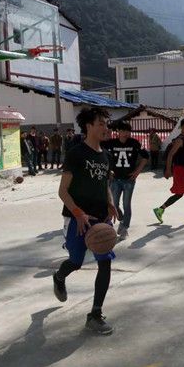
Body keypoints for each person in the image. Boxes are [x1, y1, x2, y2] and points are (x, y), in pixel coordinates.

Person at [52, 107, 119, 335]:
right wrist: (78, 213)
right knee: (76, 262)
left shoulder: (106, 155)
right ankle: (59, 277)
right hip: (77, 217)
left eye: (107, 124)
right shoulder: (76, 153)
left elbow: (104, 185)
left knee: (105, 262)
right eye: (101, 123)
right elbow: (62, 191)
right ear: (89, 126)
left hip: (100, 218)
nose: (106, 128)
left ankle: (95, 314)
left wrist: (110, 202)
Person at [102, 121, 148, 241]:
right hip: (115, 179)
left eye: (128, 131)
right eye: (123, 131)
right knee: (114, 204)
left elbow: (145, 156)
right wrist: (108, 171)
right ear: (118, 131)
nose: (126, 133)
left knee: (126, 204)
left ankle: (125, 227)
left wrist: (137, 171)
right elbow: (99, 153)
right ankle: (122, 220)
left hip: (129, 180)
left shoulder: (134, 143)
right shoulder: (111, 143)